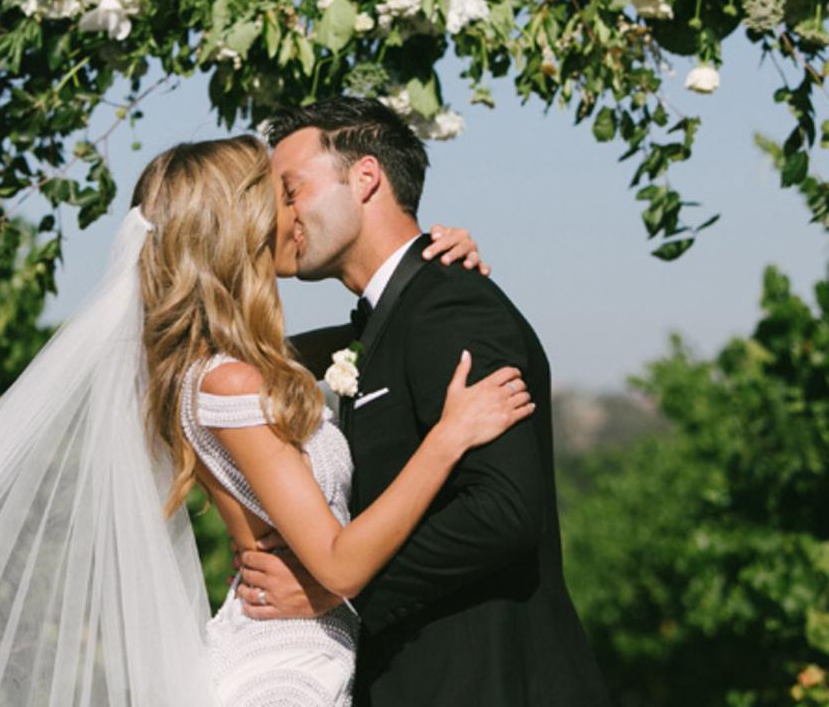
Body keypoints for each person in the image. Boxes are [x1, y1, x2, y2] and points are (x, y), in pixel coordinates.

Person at [0, 133, 529, 707]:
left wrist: (423, 273)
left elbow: (360, 338)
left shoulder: (231, 366)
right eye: (277, 195)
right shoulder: (232, 381)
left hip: (308, 656)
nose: (291, 212)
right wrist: (446, 439)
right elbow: (337, 562)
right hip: (285, 676)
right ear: (236, 222)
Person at [231, 97, 612, 707]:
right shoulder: (389, 319)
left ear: (365, 178)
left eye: (291, 190)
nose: (279, 213)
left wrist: (339, 591)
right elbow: (242, 366)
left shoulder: (450, 305)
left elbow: (503, 509)